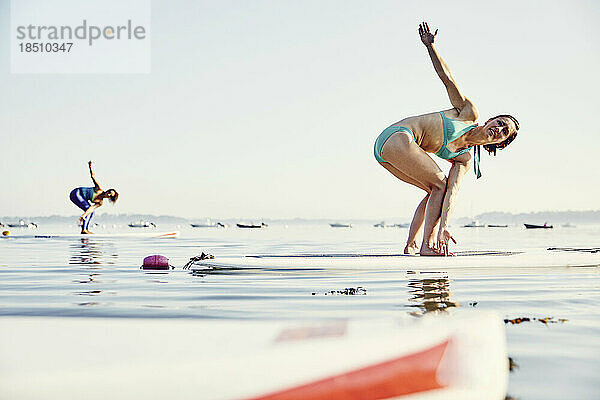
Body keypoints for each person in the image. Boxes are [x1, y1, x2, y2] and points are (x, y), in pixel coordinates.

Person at [374, 22, 519, 256]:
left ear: (499, 144)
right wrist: (430, 47)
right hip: (397, 137)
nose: (499, 129)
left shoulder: (464, 159)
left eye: (504, 132)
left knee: (436, 191)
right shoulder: (468, 112)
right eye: (500, 122)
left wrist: (445, 226)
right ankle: (426, 246)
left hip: (386, 155)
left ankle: (412, 245)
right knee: (438, 184)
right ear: (490, 120)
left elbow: (453, 192)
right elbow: (447, 77)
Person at [69, 161, 119, 234]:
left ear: (110, 198)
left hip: (78, 198)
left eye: (110, 195)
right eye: (109, 192)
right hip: (76, 193)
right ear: (108, 190)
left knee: (91, 212)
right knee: (88, 210)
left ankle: (84, 229)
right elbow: (93, 176)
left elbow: (91, 209)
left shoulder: (100, 202)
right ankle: (84, 230)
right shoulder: (99, 189)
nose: (108, 194)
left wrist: (84, 215)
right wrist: (90, 167)